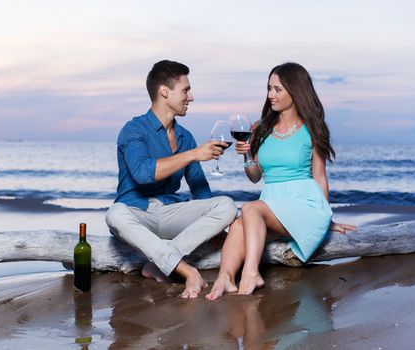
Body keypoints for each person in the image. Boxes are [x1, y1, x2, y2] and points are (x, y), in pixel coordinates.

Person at [206, 62, 356, 300]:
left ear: (295, 91)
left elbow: (319, 177)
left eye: (277, 89)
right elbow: (255, 177)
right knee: (238, 224)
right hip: (271, 204)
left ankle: (251, 273)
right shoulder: (260, 128)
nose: (270, 95)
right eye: (269, 88)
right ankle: (225, 278)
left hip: (304, 204)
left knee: (249, 209)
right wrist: (246, 155)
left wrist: (326, 218)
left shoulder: (312, 129)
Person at [106, 60, 237, 299]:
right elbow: (143, 173)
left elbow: (200, 188)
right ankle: (184, 268)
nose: (191, 97)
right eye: (186, 90)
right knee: (115, 214)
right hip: (136, 212)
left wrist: (216, 227)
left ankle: (157, 264)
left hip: (170, 213)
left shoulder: (185, 137)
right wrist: (195, 154)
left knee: (227, 205)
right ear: (164, 92)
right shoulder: (133, 129)